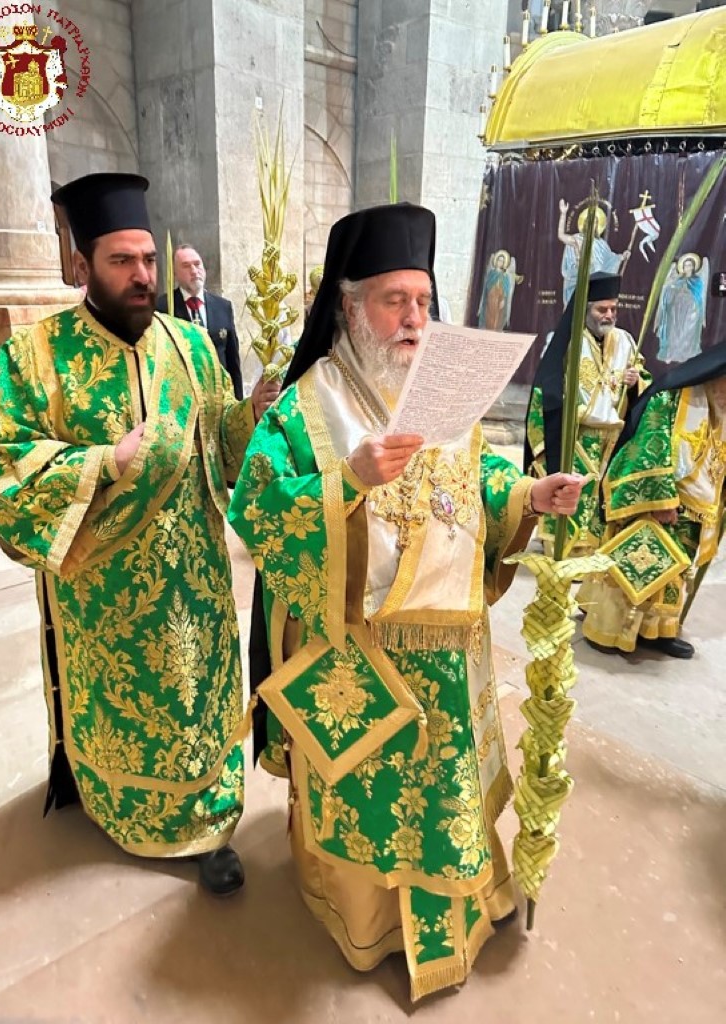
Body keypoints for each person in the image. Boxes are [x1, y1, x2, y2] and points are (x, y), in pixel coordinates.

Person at [227, 202, 586, 1000]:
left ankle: (456, 914)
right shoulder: (307, 404)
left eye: (423, 301)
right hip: (364, 654)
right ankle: (367, 923)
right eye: (395, 301)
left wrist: (530, 494)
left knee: (446, 793)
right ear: (350, 306)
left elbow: (481, 480)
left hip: (453, 648)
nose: (415, 319)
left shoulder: (445, 392)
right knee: (377, 804)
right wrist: (346, 481)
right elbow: (256, 508)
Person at [0, 173, 279, 894]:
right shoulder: (35, 357)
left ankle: (209, 825)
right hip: (105, 599)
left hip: (196, 587)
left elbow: (222, 443)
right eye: (122, 261)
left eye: (148, 259)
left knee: (196, 707)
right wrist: (105, 462)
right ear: (82, 265)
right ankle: (107, 798)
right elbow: (9, 466)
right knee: (120, 712)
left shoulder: (192, 345)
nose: (143, 275)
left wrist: (251, 414)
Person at [580, 341, 726, 659]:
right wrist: (660, 499)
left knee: (674, 574)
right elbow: (649, 442)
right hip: (661, 502)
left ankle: (657, 632)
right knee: (635, 564)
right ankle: (606, 629)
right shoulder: (672, 397)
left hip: (698, 509)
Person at [524, 272, 649, 557]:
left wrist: (636, 381)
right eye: (601, 309)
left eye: (613, 309)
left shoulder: (626, 341)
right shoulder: (568, 343)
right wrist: (546, 442)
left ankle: (591, 554)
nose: (609, 315)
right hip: (576, 438)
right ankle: (562, 553)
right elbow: (544, 391)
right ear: (585, 309)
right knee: (571, 497)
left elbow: (643, 377)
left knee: (598, 504)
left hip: (612, 438)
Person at [157, 243, 244, 399]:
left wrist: (239, 403)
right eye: (186, 266)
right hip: (182, 398)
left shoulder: (223, 306)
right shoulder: (162, 308)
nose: (194, 270)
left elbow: (233, 361)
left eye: (197, 264)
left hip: (219, 397)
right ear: (175, 273)